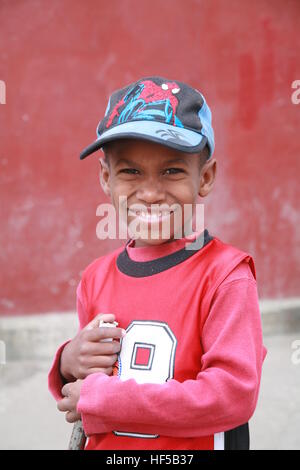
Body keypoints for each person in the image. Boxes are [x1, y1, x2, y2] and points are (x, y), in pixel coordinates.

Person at [48, 76, 267, 450]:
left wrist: (106, 400)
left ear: (206, 177)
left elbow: (233, 396)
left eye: (172, 170)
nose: (150, 193)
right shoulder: (95, 278)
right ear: (106, 178)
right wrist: (69, 360)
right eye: (131, 171)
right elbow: (89, 383)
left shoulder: (226, 276)